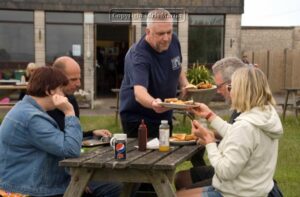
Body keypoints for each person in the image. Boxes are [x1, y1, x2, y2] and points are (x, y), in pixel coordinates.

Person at [177, 67, 283, 197]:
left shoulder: (246, 126)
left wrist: (209, 142)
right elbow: (236, 135)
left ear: (241, 91)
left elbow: (225, 172)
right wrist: (209, 115)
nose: (229, 91)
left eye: (231, 87)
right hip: (254, 189)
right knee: (180, 192)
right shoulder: (264, 115)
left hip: (238, 193)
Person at [0, 66, 82, 196]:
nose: (63, 94)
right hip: (30, 189)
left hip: (28, 184)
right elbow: (71, 149)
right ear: (49, 90)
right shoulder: (32, 118)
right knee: (113, 188)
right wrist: (69, 112)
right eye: (60, 89)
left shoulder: (26, 110)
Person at [48, 56, 122, 197]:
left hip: (70, 167)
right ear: (57, 78)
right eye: (73, 79)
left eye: (79, 78)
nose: (79, 84)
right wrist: (76, 178)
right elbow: (57, 147)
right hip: (55, 175)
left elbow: (71, 135)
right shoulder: (47, 107)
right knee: (115, 187)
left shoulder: (70, 100)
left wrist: (92, 133)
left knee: (123, 180)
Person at [175, 57, 247, 190]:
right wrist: (209, 124)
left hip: (239, 180)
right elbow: (232, 133)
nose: (218, 91)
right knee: (181, 178)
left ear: (233, 83)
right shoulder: (243, 106)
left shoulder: (248, 114)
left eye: (219, 86)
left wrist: (209, 141)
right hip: (234, 172)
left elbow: (226, 167)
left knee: (182, 194)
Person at [119, 8, 190, 138]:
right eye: (161, 33)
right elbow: (139, 93)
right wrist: (153, 103)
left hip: (165, 114)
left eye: (169, 32)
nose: (166, 38)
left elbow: (176, 65)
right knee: (144, 158)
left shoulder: (174, 40)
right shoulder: (138, 56)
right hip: (138, 120)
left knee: (167, 155)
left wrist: (185, 84)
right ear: (148, 31)